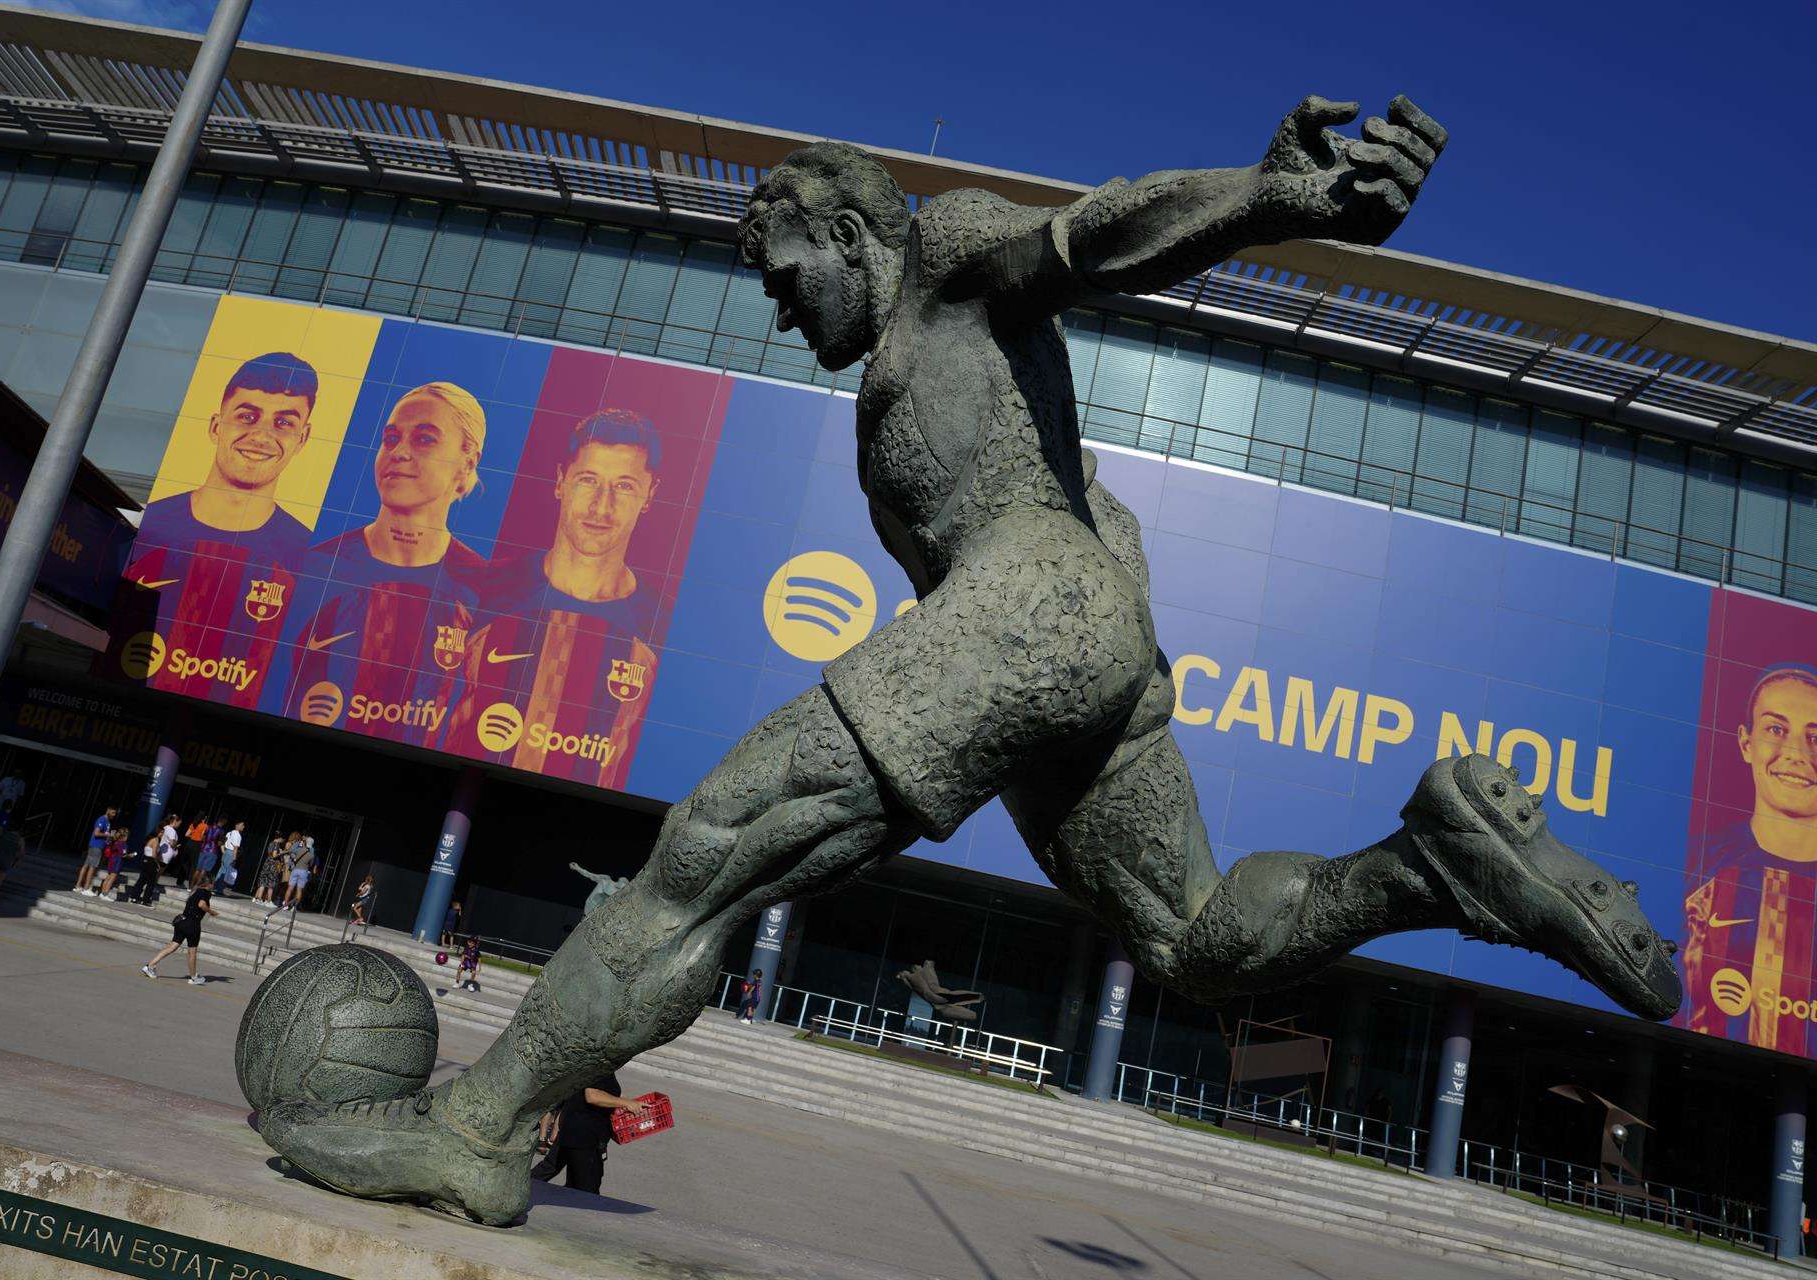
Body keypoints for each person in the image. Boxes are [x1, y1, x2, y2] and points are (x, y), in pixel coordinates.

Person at [260, 101, 1678, 1228]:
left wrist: (1263, 199)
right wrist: (1111, 654)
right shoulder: (915, 379)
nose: (775, 305)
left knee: (713, 845)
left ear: (850, 231)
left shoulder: (939, 261)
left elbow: (1092, 238)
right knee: (1189, 940)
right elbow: (1094, 515)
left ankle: (476, 1131)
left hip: (1030, 620)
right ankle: (1420, 870)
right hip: (1084, 646)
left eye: (782, 271)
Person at [264, 382, 490, 750]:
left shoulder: (485, 590)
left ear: (467, 463)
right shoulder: (313, 567)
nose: (399, 452)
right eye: (391, 438)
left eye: (425, 439)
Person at [450, 411, 664, 784]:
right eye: (588, 480)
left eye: (625, 486)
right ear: (561, 481)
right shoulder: (482, 589)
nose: (602, 506)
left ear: (650, 495)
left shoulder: (660, 625)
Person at [115, 354, 321, 710]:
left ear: (302, 439)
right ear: (216, 426)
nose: (261, 435)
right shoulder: (151, 525)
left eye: (283, 423)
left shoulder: (307, 555)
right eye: (247, 416)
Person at [1684, 663, 1817, 1054]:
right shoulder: (1695, 863)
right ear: (1746, 743)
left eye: (1816, 737)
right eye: (1776, 729)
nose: (1796, 753)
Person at [530, 1072, 646, 1195]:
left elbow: (605, 1093)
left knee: (552, 1170)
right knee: (588, 1190)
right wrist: (626, 1103)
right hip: (583, 1136)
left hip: (575, 1131)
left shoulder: (605, 1069)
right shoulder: (600, 1068)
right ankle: (515, 1192)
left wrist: (631, 1102)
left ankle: (516, 1189)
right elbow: (592, 1095)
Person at [144, 879, 214, 985]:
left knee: (172, 946)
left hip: (182, 921)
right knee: (192, 952)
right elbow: (201, 905)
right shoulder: (205, 893)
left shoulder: (194, 891)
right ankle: (194, 977)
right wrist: (211, 911)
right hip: (192, 924)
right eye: (213, 883)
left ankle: (150, 966)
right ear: (208, 884)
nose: (213, 886)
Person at [73, 805, 116, 894]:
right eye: (112, 812)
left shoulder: (108, 822)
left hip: (99, 846)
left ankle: (78, 886)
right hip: (96, 846)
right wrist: (108, 835)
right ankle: (86, 888)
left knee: (86, 865)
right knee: (92, 867)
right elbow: (96, 833)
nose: (114, 815)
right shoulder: (102, 820)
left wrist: (109, 838)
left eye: (115, 813)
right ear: (108, 810)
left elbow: (104, 834)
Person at [255, 830, 292, 906]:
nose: (282, 841)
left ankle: (258, 899)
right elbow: (274, 855)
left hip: (266, 864)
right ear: (280, 838)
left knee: (263, 882)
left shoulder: (271, 843)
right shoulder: (276, 845)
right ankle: (268, 901)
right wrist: (282, 852)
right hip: (272, 865)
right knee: (271, 884)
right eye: (282, 839)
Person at [130, 827, 164, 906]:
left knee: (142, 880)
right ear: (157, 832)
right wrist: (158, 864)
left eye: (163, 833)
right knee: (151, 882)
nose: (162, 834)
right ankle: (146, 900)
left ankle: (134, 897)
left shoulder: (151, 839)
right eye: (161, 832)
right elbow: (154, 854)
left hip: (145, 860)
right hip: (151, 861)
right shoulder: (155, 840)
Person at [281, 829, 313, 912]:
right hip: (304, 871)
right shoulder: (312, 852)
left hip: (295, 869)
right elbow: (311, 864)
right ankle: (294, 907)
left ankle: (285, 905)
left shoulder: (299, 847)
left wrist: (294, 858)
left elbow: (291, 852)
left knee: (290, 888)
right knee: (299, 890)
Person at [92, 825, 128, 898]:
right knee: (111, 879)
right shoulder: (123, 844)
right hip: (118, 862)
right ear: (124, 836)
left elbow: (108, 843)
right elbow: (123, 854)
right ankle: (105, 894)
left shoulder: (115, 842)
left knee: (108, 878)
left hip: (111, 860)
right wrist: (130, 855)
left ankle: (102, 893)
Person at [179, 815, 208, 889]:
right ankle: (190, 885)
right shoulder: (205, 826)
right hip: (197, 845)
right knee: (194, 865)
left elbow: (186, 834)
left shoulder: (193, 824)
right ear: (203, 819)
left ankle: (179, 881)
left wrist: (193, 836)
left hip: (189, 843)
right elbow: (202, 837)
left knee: (186, 863)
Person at [217, 820, 244, 896]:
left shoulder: (229, 833)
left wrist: (223, 852)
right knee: (226, 872)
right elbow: (235, 848)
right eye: (242, 825)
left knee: (221, 870)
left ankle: (216, 887)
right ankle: (220, 889)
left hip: (226, 852)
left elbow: (222, 843)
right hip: (231, 853)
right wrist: (234, 858)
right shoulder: (237, 835)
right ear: (237, 825)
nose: (243, 827)